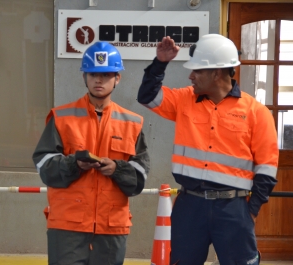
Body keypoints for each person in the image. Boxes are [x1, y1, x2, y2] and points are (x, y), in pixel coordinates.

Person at [137, 34, 278, 265]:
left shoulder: (256, 112)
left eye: (197, 71)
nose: (191, 76)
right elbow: (147, 96)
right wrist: (160, 63)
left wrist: (251, 210)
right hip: (190, 206)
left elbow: (267, 167)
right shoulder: (184, 99)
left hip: (233, 208)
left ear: (217, 72)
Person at [32, 41, 150, 265]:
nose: (99, 80)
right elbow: (45, 167)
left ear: (117, 78)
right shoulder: (61, 117)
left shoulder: (132, 123)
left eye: (106, 74)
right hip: (68, 226)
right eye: (93, 74)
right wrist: (75, 164)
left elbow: (140, 177)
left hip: (111, 227)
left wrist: (117, 169)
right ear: (84, 77)